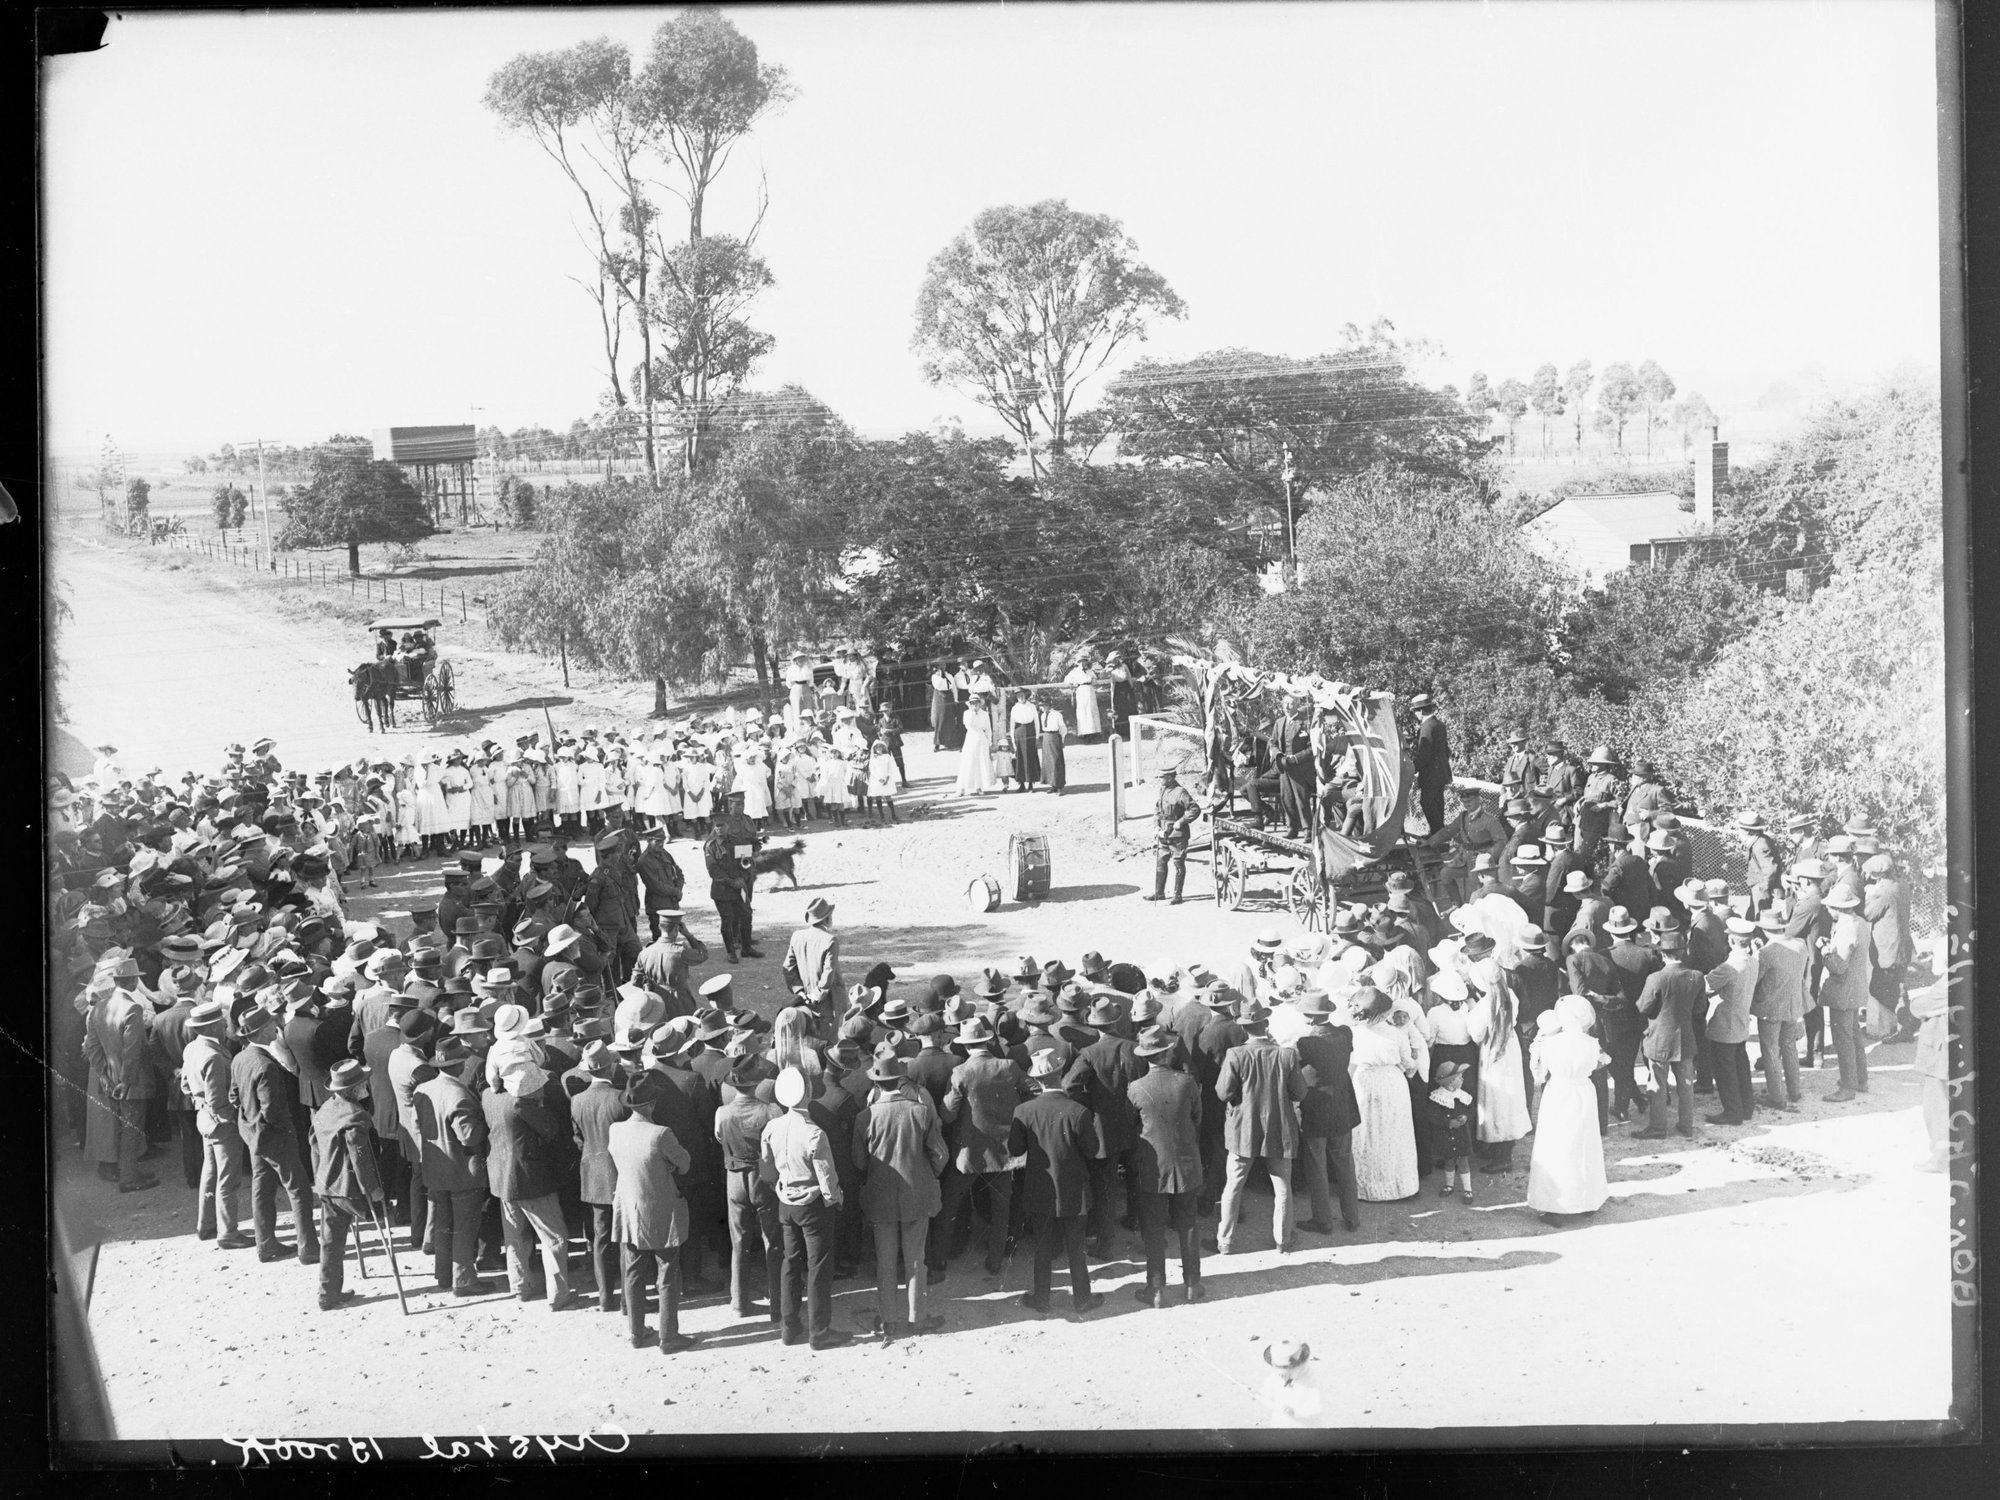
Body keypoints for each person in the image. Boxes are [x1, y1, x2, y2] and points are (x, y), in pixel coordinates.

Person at [852, 1052, 947, 1343]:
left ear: (877, 1085)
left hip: (880, 1198)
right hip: (917, 1195)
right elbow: (940, 1155)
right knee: (916, 1260)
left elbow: (858, 1161)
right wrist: (925, 1174)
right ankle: (917, 1318)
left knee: (885, 1261)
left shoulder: (864, 1117)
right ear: (900, 1079)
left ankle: (889, 1321)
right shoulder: (920, 1110)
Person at [760, 1066, 853, 1350]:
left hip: (786, 1202)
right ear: (808, 1094)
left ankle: (789, 1328)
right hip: (813, 1205)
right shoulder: (814, 1132)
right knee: (818, 1267)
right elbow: (826, 1175)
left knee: (790, 1263)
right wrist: (834, 1199)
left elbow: (766, 1164)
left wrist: (780, 1183)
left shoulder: (772, 1126)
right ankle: (819, 1331)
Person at [1009, 1048, 1104, 1316]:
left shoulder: (1023, 1111)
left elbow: (1015, 1150)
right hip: (1074, 1189)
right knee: (1076, 1247)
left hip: (1039, 1189)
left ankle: (1042, 1298)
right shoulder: (1079, 1111)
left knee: (1042, 1246)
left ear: (1037, 1080)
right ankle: (1082, 1299)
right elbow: (1092, 1150)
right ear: (1060, 1074)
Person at [937, 1017, 1035, 1277]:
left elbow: (947, 1115)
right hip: (1003, 1152)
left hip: (969, 1153)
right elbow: (1034, 1088)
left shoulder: (961, 1073)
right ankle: (995, 1260)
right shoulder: (1008, 1066)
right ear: (986, 1041)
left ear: (966, 1046)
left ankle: (940, 1259)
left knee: (950, 1205)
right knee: (1001, 1207)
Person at [610, 1072, 697, 1353]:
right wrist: (667, 1166)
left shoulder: (615, 1130)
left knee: (633, 1272)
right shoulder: (661, 1134)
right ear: (652, 1104)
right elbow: (684, 1164)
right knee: (667, 1272)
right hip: (660, 1210)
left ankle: (636, 1332)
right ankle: (668, 1336)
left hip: (628, 1209)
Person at [1214, 999, 1306, 1254]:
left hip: (1243, 1129)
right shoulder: (1285, 1054)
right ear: (1266, 1024)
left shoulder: (1236, 1054)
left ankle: (1225, 1241)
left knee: (1233, 1184)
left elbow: (1222, 1093)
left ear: (1245, 1028)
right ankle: (1282, 1239)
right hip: (1280, 1128)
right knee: (1282, 1185)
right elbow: (1299, 1092)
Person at [230, 1005, 321, 1264]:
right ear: (259, 1033)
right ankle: (308, 1248)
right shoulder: (265, 1065)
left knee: (263, 1189)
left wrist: (251, 1124)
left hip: (253, 1136)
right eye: (271, 1025)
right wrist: (281, 1130)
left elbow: (234, 1096)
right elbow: (272, 1110)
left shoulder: (240, 1058)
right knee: (300, 1189)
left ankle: (266, 1244)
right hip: (275, 1137)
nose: (276, 1028)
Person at [484, 1058, 574, 1311]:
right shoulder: (522, 1104)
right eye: (538, 1087)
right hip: (529, 1180)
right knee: (554, 1236)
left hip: (501, 1178)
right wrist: (541, 1105)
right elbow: (551, 1129)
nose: (543, 1090)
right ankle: (559, 1294)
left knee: (515, 1236)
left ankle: (521, 1287)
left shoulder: (489, 1096)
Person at [1125, 1026, 1205, 1305]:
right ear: (1166, 1052)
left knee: (1153, 1228)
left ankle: (1156, 1289)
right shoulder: (1187, 1082)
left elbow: (1131, 1128)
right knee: (1189, 1224)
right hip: (1186, 1163)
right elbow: (1197, 1117)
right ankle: (1193, 1285)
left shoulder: (1135, 1088)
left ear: (1145, 1056)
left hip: (1152, 1167)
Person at [1064, 995, 1148, 1251]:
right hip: (1135, 1123)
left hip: (1103, 1127)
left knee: (1105, 1186)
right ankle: (1136, 1222)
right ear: (1116, 1020)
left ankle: (1105, 1242)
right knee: (1137, 1178)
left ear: (1095, 1026)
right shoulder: (1135, 1047)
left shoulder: (1089, 1053)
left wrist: (1090, 1106)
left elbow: (1069, 1086)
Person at [413, 1033, 494, 1296]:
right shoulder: (459, 1094)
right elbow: (469, 1135)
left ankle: (444, 1275)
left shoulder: (423, 1090)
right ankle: (464, 1281)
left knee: (443, 1226)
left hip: (435, 1171)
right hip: (462, 1172)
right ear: (459, 1065)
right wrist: (487, 1124)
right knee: (464, 1228)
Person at [309, 1058, 386, 1311]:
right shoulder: (356, 1115)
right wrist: (373, 1190)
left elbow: (313, 1145)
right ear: (355, 1089)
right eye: (363, 1083)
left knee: (330, 1241)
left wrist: (320, 1177)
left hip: (327, 1186)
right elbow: (360, 1157)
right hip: (350, 1191)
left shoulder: (324, 1109)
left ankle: (327, 1293)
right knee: (380, 1219)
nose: (366, 1086)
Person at [1525, 1012, 1611, 1218]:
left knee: (1556, 1147)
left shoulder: (1551, 1044)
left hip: (1559, 1092)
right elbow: (1605, 1060)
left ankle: (1554, 1207)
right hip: (1583, 1091)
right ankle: (1587, 1201)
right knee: (1584, 1145)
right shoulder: (1591, 1043)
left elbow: (1539, 1075)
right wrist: (1584, 1069)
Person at [183, 999, 252, 1247]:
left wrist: (198, 1101)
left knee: (210, 1174)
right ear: (212, 1027)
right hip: (221, 1124)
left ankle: (206, 1225)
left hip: (204, 1119)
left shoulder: (192, 1048)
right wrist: (233, 1120)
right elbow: (218, 1099)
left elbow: (184, 1084)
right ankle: (228, 1233)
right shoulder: (213, 1055)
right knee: (228, 1179)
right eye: (221, 1023)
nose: (225, 1026)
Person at [570, 1041, 629, 1313]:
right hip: (620, 1176)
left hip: (593, 1176)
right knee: (626, 1239)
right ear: (611, 1065)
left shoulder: (577, 1101)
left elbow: (579, 1139)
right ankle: (630, 1299)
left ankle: (606, 1297)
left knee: (601, 1239)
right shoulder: (620, 1098)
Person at [1347, 986, 1418, 1201]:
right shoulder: (1395, 1034)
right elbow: (1408, 1063)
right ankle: (1398, 1185)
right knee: (1394, 1133)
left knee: (1366, 1132)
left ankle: (1365, 1186)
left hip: (1363, 1082)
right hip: (1391, 1084)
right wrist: (1413, 1067)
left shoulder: (1353, 1033)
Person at [1634, 923, 1702, 1139]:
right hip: (1686, 1038)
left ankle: (1658, 1127)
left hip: (1659, 1039)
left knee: (1657, 1083)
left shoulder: (1656, 978)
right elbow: (1700, 1008)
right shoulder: (1696, 976)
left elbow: (1642, 1007)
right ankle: (1686, 1125)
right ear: (1683, 951)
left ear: (1662, 954)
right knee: (1686, 1084)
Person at [1819, 887, 1873, 1101]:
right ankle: (1861, 1079)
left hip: (1843, 990)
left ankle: (1848, 1087)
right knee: (1854, 1035)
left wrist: (1825, 952)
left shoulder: (1845, 928)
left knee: (1843, 1039)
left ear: (1838, 908)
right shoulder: (1860, 922)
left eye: (1830, 907)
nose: (1828, 910)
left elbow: (1839, 966)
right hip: (1856, 986)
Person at [783, 897, 845, 1024]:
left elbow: (788, 968)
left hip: (803, 1001)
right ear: (827, 918)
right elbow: (828, 973)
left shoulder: (797, 936)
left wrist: (799, 991)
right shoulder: (830, 940)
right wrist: (816, 995)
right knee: (829, 1039)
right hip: (827, 1004)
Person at [1145, 768, 1200, 904]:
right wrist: (1156, 826)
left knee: (1178, 863)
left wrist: (1181, 822)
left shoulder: (1180, 792)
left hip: (1177, 835)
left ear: (1170, 777)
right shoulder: (1162, 790)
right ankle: (1159, 893)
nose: (1160, 780)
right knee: (1161, 861)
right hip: (1163, 832)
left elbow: (1195, 809)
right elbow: (1157, 810)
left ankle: (1177, 895)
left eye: (1162, 777)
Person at [1425, 1061, 1476, 1205]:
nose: (1463, 1079)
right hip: (1446, 1136)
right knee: (1449, 1160)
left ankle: (1468, 1189)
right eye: (1459, 1077)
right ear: (1450, 1081)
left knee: (1463, 1161)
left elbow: (1471, 1111)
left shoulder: (1463, 1096)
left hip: (1461, 1135)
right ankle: (1449, 1185)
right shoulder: (1437, 1097)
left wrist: (1465, 1117)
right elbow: (1432, 1116)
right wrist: (1447, 1123)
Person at [1409, 692, 1451, 835]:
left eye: (1415, 711)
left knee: (1427, 802)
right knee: (1438, 803)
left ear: (1420, 711)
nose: (1415, 715)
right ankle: (1439, 833)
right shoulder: (1439, 724)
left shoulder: (1427, 727)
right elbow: (1447, 751)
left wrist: (1412, 768)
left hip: (1431, 775)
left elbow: (1424, 754)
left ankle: (1438, 834)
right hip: (1441, 773)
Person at [1259, 1340, 1326, 1428]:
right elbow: (1267, 1392)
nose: (1281, 1376)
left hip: (1303, 1428)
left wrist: (1295, 1413)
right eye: (1280, 1373)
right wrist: (1260, 1395)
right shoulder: (1276, 1375)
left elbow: (1316, 1408)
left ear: (1297, 1367)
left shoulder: (1312, 1380)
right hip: (1280, 1425)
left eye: (1284, 1373)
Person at [955, 690, 996, 797]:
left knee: (980, 762)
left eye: (976, 702)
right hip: (971, 738)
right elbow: (968, 725)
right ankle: (962, 788)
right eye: (972, 703)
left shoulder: (985, 714)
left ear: (979, 703)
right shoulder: (967, 713)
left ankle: (979, 787)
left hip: (981, 739)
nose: (974, 704)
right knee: (968, 762)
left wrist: (989, 742)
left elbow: (988, 729)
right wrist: (973, 712)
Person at [1007, 690, 1042, 791]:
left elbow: (1036, 722)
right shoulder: (1015, 708)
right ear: (1016, 697)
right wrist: (1013, 741)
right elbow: (1012, 725)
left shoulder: (1031, 706)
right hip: (1019, 732)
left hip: (1030, 732)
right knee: (1020, 758)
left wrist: (1037, 737)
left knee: (1031, 757)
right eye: (1018, 696)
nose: (1021, 697)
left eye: (1022, 695)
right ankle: (1021, 784)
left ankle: (1031, 784)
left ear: (1025, 696)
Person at [1064, 657, 1104, 739]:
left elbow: (1095, 679)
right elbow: (1066, 680)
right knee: (1083, 711)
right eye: (1080, 661)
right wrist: (1073, 682)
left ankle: (1094, 731)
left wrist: (1093, 679)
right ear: (1078, 663)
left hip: (1090, 690)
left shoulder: (1089, 671)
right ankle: (1084, 733)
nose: (1083, 663)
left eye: (1084, 661)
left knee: (1092, 710)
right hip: (1081, 690)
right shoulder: (1075, 671)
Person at [1037, 698, 1069, 795]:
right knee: (1048, 762)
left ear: (1050, 705)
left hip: (1055, 736)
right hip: (1046, 737)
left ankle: (1059, 786)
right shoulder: (1042, 715)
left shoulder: (1057, 714)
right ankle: (1052, 785)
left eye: (1045, 705)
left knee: (1056, 761)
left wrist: (1062, 740)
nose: (1043, 708)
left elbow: (1063, 728)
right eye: (1042, 706)